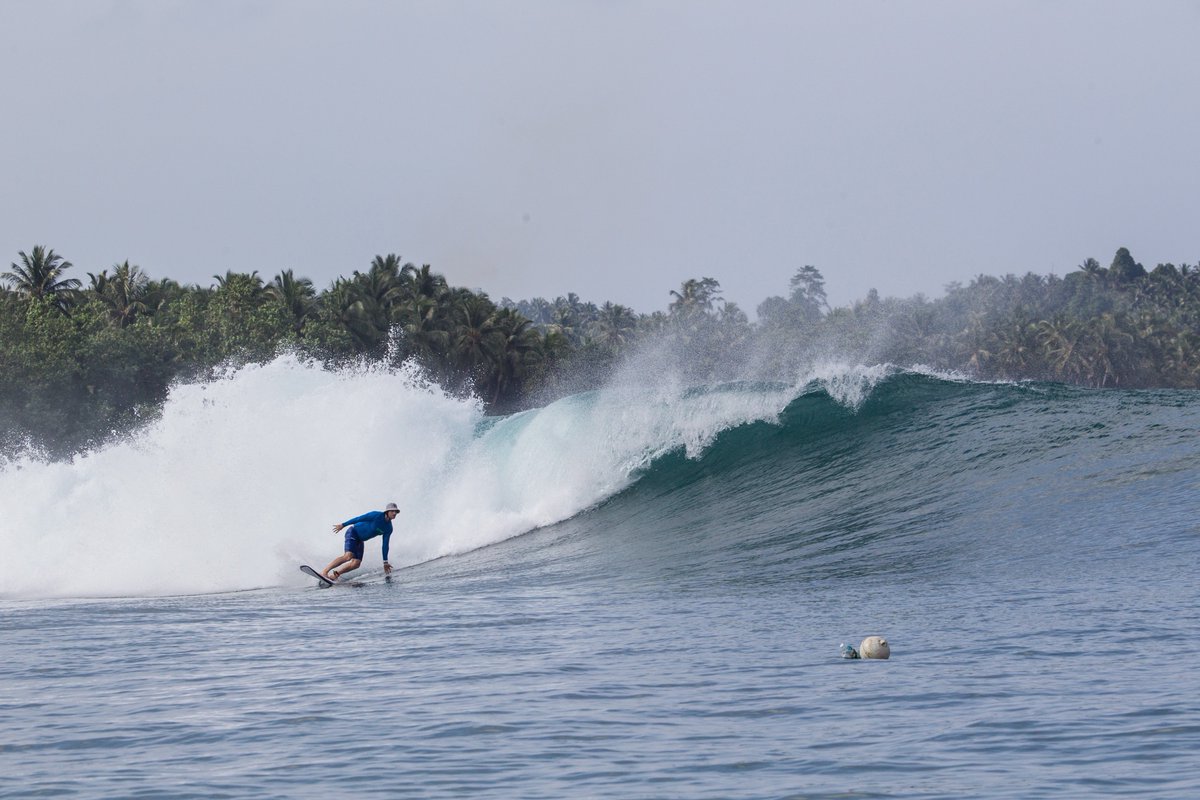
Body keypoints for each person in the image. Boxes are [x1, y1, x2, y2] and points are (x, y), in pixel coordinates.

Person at [322, 502, 399, 581]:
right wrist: (343, 524)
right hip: (353, 532)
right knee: (348, 556)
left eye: (396, 512)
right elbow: (359, 518)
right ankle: (324, 572)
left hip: (360, 540)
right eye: (392, 511)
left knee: (356, 564)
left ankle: (335, 575)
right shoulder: (376, 515)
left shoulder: (389, 528)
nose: (394, 513)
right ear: (387, 511)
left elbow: (385, 545)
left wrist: (385, 562)